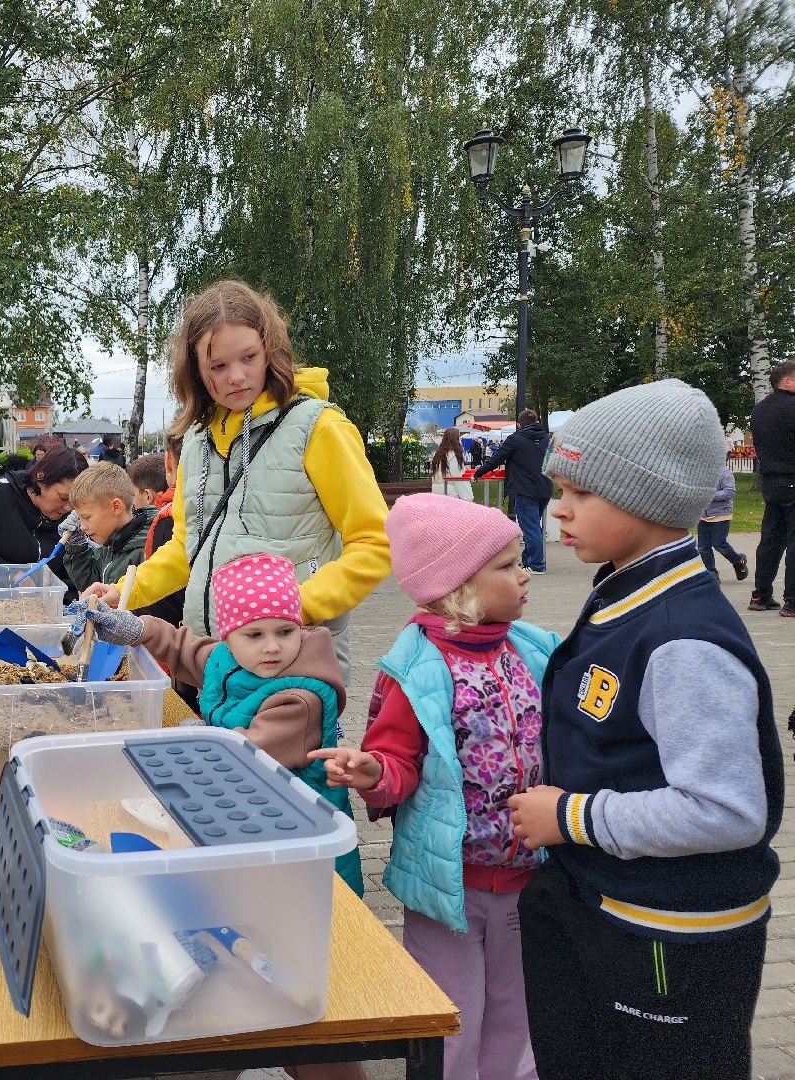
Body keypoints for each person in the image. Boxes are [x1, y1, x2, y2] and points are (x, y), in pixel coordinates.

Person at [506, 379, 782, 1080]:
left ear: (649, 500)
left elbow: (726, 810)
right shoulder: (628, 593)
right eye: (559, 491)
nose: (558, 509)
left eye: (581, 493)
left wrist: (570, 816)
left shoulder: (681, 640)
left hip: (666, 938)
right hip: (618, 908)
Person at [314, 494, 559, 1079]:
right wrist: (374, 773)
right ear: (459, 588)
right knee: (452, 1018)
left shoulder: (534, 649)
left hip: (528, 875)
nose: (525, 574)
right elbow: (396, 761)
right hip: (450, 883)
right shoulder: (416, 669)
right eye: (507, 565)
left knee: (519, 1010)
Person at [84, 280, 391, 683]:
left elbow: (375, 544)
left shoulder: (319, 428)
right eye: (218, 366)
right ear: (196, 371)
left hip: (291, 662)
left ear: (270, 350)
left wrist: (289, 609)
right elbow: (186, 550)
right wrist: (126, 590)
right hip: (213, 664)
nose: (237, 376)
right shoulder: (197, 440)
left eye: (249, 357)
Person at [77, 554, 358, 895]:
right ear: (228, 637)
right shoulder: (228, 658)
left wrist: (198, 740)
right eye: (254, 634)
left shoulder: (300, 699)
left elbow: (243, 758)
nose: (272, 646)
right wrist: (138, 629)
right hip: (244, 818)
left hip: (300, 844)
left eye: (285, 631)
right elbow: (182, 648)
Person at [0, 444, 88, 589]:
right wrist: (7, 573)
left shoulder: (73, 516)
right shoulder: (0, 493)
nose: (68, 508)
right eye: (63, 498)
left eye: (75, 502)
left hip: (49, 600)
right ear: (41, 478)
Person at [473, 409, 553, 574]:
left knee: (530, 528)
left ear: (519, 424)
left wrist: (478, 473)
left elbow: (496, 459)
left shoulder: (516, 439)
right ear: (537, 421)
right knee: (533, 526)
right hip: (545, 487)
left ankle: (536, 565)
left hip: (525, 488)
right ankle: (529, 560)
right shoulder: (547, 438)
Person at [61, 462, 158, 593]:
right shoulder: (110, 544)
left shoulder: (146, 550)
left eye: (87, 517)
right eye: (79, 519)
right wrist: (77, 546)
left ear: (116, 507)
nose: (82, 527)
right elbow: (91, 586)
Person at [749, 358, 795, 616]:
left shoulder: (760, 409)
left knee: (771, 539)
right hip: (793, 478)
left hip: (771, 481)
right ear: (786, 381)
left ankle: (761, 595)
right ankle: (792, 601)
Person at [696, 463, 747, 582]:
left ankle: (738, 561)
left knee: (719, 544)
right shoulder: (698, 472)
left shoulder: (724, 472)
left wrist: (709, 495)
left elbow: (729, 492)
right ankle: (711, 572)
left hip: (721, 515)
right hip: (703, 515)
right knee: (703, 547)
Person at [429, 426, 473, 501]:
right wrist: (467, 497)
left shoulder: (437, 454)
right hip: (451, 495)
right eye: (459, 438)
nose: (460, 440)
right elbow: (458, 478)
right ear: (455, 440)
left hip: (437, 493)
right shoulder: (453, 456)